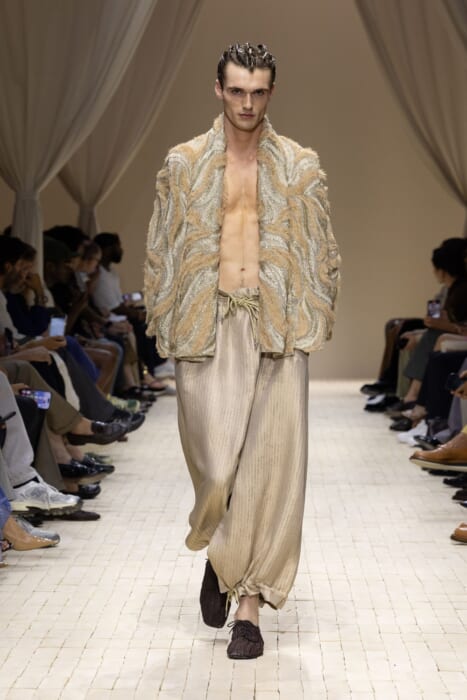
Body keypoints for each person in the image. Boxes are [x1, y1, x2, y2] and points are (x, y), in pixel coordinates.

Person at [144, 43, 340, 659]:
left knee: (270, 467)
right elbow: (161, 246)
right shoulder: (183, 163)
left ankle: (248, 607)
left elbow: (323, 247)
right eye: (237, 91)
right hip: (206, 324)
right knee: (218, 468)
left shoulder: (301, 165)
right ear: (219, 89)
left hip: (277, 326)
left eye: (258, 92)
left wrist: (315, 313)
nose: (248, 104)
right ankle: (222, 552)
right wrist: (163, 316)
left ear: (271, 92)